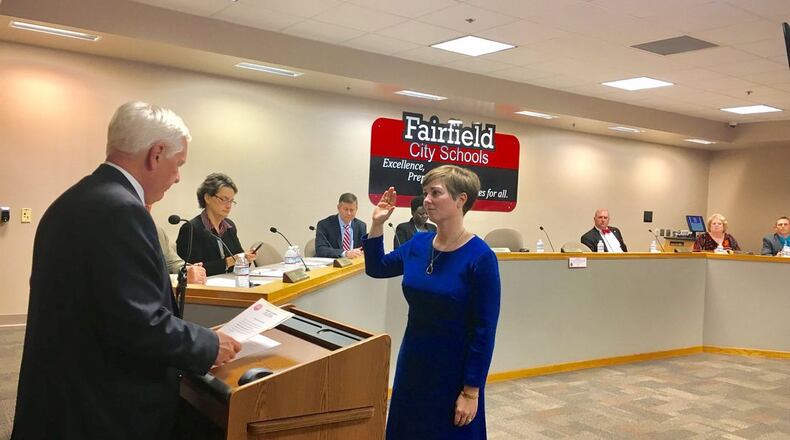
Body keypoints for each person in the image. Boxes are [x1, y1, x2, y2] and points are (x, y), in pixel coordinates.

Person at [12, 101, 240, 440]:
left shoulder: (72, 200)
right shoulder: (123, 212)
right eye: (178, 165)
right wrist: (209, 344)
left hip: (59, 398)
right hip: (100, 411)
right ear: (156, 153)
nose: (178, 177)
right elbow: (137, 323)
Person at [363, 165, 501, 439]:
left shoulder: (480, 257)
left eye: (435, 193)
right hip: (414, 361)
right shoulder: (418, 243)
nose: (426, 200)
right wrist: (377, 224)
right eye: (425, 192)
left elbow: (484, 331)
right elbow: (377, 267)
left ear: (461, 199)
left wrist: (471, 392)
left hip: (453, 370)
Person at [176, 173, 256, 276]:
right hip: (206, 289)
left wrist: (246, 259)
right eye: (224, 199)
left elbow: (238, 261)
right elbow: (191, 270)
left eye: (231, 201)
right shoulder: (191, 228)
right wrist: (229, 261)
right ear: (208, 198)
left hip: (231, 284)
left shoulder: (229, 226)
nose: (228, 206)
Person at [146, 204, 207, 284]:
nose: (148, 206)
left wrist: (189, 269)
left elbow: (173, 262)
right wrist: (180, 278)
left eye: (148, 204)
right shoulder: (125, 233)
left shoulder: (157, 231)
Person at [315, 192, 367, 258]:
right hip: (333, 264)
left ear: (356, 209)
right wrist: (345, 253)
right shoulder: (324, 225)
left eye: (352, 210)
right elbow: (320, 249)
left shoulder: (361, 226)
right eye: (345, 209)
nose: (349, 213)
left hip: (353, 264)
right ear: (338, 208)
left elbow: (362, 248)